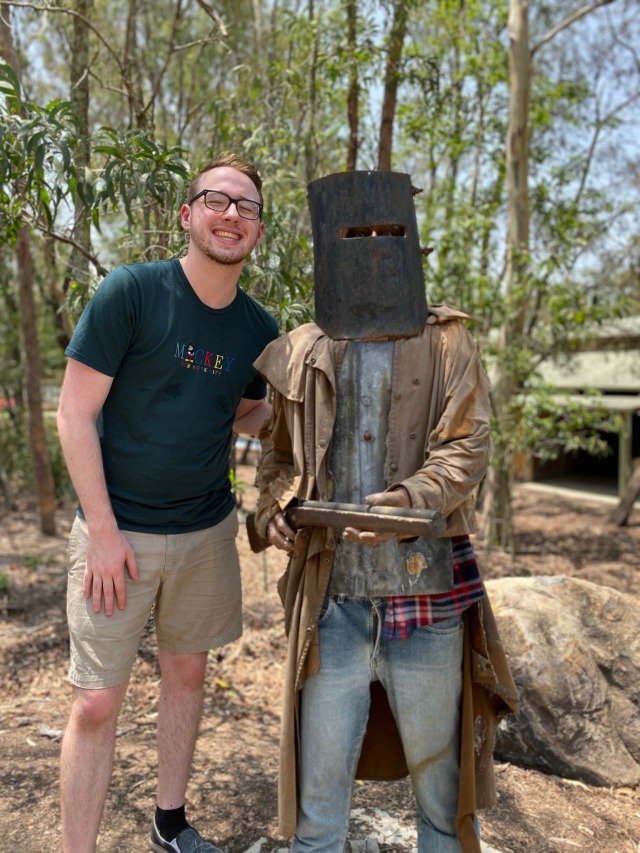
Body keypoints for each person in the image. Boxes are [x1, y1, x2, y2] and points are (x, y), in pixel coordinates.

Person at [253, 170, 518, 853]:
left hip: (425, 601)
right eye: (354, 231)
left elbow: (467, 448)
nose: (371, 244)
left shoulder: (447, 342)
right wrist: (275, 509)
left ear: (411, 238)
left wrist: (406, 502)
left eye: (387, 229)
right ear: (327, 241)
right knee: (317, 811)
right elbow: (276, 460)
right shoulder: (303, 347)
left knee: (442, 802)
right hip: (331, 605)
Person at [56, 152, 279, 853]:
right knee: (97, 701)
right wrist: (102, 532)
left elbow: (242, 412)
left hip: (204, 529)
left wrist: (307, 411)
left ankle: (169, 822)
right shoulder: (133, 292)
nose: (232, 214)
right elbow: (73, 414)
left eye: (247, 207)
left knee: (187, 672)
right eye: (217, 200)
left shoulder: (259, 328)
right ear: (187, 215)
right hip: (117, 530)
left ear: (258, 231)